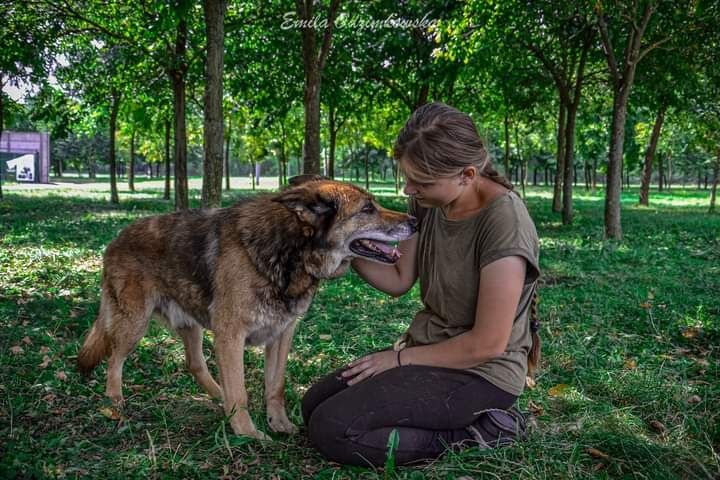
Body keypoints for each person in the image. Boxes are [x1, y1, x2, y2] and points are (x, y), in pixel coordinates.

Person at [301, 102, 540, 467]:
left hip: (482, 373)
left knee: (333, 428)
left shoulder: (504, 222)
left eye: (421, 182)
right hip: (431, 353)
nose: (409, 189)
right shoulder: (428, 202)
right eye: (407, 177)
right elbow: (399, 279)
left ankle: (487, 430)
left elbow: (488, 343)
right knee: (312, 405)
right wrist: (343, 247)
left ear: (467, 174)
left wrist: (398, 360)